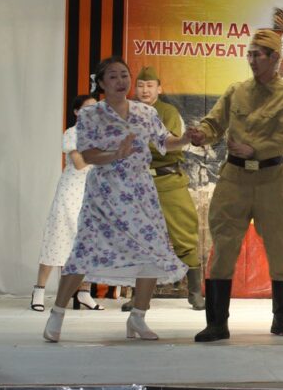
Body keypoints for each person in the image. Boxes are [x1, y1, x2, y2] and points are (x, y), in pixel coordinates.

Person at [42, 57, 190, 343]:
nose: (121, 81)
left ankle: (138, 317)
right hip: (105, 193)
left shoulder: (145, 112)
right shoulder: (91, 114)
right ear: (101, 83)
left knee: (151, 250)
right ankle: (57, 313)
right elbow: (87, 155)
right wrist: (115, 155)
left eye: (124, 75)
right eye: (113, 76)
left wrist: (186, 139)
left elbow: (164, 141)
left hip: (140, 192)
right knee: (85, 251)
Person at [187, 29, 283, 342]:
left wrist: (255, 149)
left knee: (280, 249)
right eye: (249, 54)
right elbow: (215, 122)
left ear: (274, 58)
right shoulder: (236, 91)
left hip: (271, 180)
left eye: (258, 55)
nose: (251, 60)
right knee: (223, 248)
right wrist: (202, 134)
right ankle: (216, 324)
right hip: (234, 180)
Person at [128, 66, 204, 311]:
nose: (145, 90)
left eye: (150, 86)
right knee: (139, 239)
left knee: (184, 234)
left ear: (159, 89)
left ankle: (195, 293)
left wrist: (137, 145)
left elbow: (167, 144)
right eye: (141, 86)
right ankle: (138, 297)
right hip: (138, 184)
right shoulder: (128, 111)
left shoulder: (167, 111)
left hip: (168, 181)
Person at [33, 94, 103, 312]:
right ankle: (39, 290)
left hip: (92, 193)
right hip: (71, 192)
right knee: (58, 239)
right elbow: (80, 163)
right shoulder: (72, 133)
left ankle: (84, 292)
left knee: (89, 243)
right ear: (76, 112)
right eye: (87, 108)